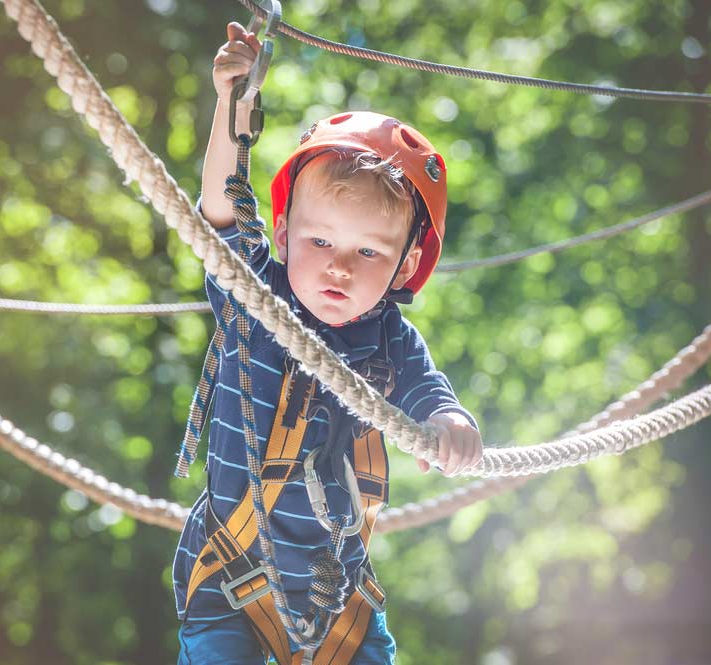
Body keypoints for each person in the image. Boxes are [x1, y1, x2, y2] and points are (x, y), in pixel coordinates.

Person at [173, 22, 483, 665]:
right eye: (321, 242)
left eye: (367, 250)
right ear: (283, 234)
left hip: (334, 595)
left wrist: (450, 421)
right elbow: (222, 209)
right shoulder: (255, 292)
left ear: (404, 266)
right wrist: (233, 104)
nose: (339, 267)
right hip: (232, 580)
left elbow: (430, 392)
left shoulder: (392, 340)